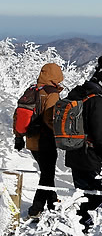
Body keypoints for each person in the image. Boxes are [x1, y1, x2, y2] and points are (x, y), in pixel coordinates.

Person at [64, 55, 102, 229]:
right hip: (92, 159)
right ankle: (92, 235)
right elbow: (101, 138)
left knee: (82, 198)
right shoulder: (98, 102)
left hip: (74, 153)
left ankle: (80, 231)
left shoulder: (78, 94)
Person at [13, 63, 64, 218]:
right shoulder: (51, 93)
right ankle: (36, 209)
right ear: (56, 76)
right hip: (45, 140)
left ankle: (53, 203)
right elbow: (50, 118)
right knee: (47, 175)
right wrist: (60, 134)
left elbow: (18, 115)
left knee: (46, 173)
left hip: (31, 140)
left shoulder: (32, 90)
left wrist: (18, 137)